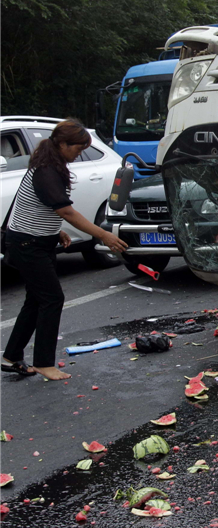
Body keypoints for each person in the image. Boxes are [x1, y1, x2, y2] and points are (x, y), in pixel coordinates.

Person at [2, 119, 128, 381]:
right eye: (77, 148)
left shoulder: (50, 165)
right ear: (61, 144)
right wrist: (103, 234)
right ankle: (44, 363)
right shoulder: (47, 170)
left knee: (36, 299)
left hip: (34, 240)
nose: (79, 153)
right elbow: (66, 210)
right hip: (27, 244)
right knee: (52, 299)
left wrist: (55, 230)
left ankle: (11, 356)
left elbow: (39, 206)